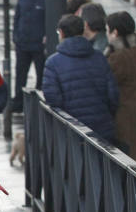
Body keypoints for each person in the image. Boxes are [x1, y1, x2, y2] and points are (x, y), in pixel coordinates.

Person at [42, 14, 119, 142]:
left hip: (72, 132)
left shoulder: (53, 63)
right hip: (102, 128)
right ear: (83, 31)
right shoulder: (99, 58)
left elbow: (53, 99)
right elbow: (113, 95)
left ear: (61, 33)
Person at [105, 11, 136, 161]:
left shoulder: (119, 57)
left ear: (115, 32)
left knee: (125, 168)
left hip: (123, 122)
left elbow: (105, 82)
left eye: (107, 30)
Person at [11, 0, 46, 112]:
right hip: (23, 43)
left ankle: (39, 104)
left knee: (41, 75)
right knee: (20, 75)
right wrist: (15, 36)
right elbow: (17, 17)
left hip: (39, 45)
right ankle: (19, 103)